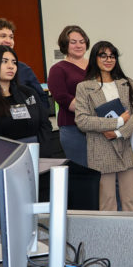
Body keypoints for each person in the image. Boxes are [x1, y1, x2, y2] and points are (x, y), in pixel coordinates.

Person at [74, 41, 133, 212]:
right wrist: (118, 121)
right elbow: (82, 120)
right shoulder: (84, 87)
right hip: (101, 149)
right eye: (103, 55)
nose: (108, 59)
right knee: (107, 204)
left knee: (131, 203)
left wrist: (119, 132)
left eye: (112, 56)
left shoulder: (127, 83)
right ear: (94, 58)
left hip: (127, 147)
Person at [46, 25, 91, 166]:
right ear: (65, 44)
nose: (78, 45)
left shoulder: (95, 66)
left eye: (82, 42)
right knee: (83, 170)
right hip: (73, 128)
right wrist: (95, 110)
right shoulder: (58, 69)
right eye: (73, 42)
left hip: (99, 126)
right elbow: (63, 98)